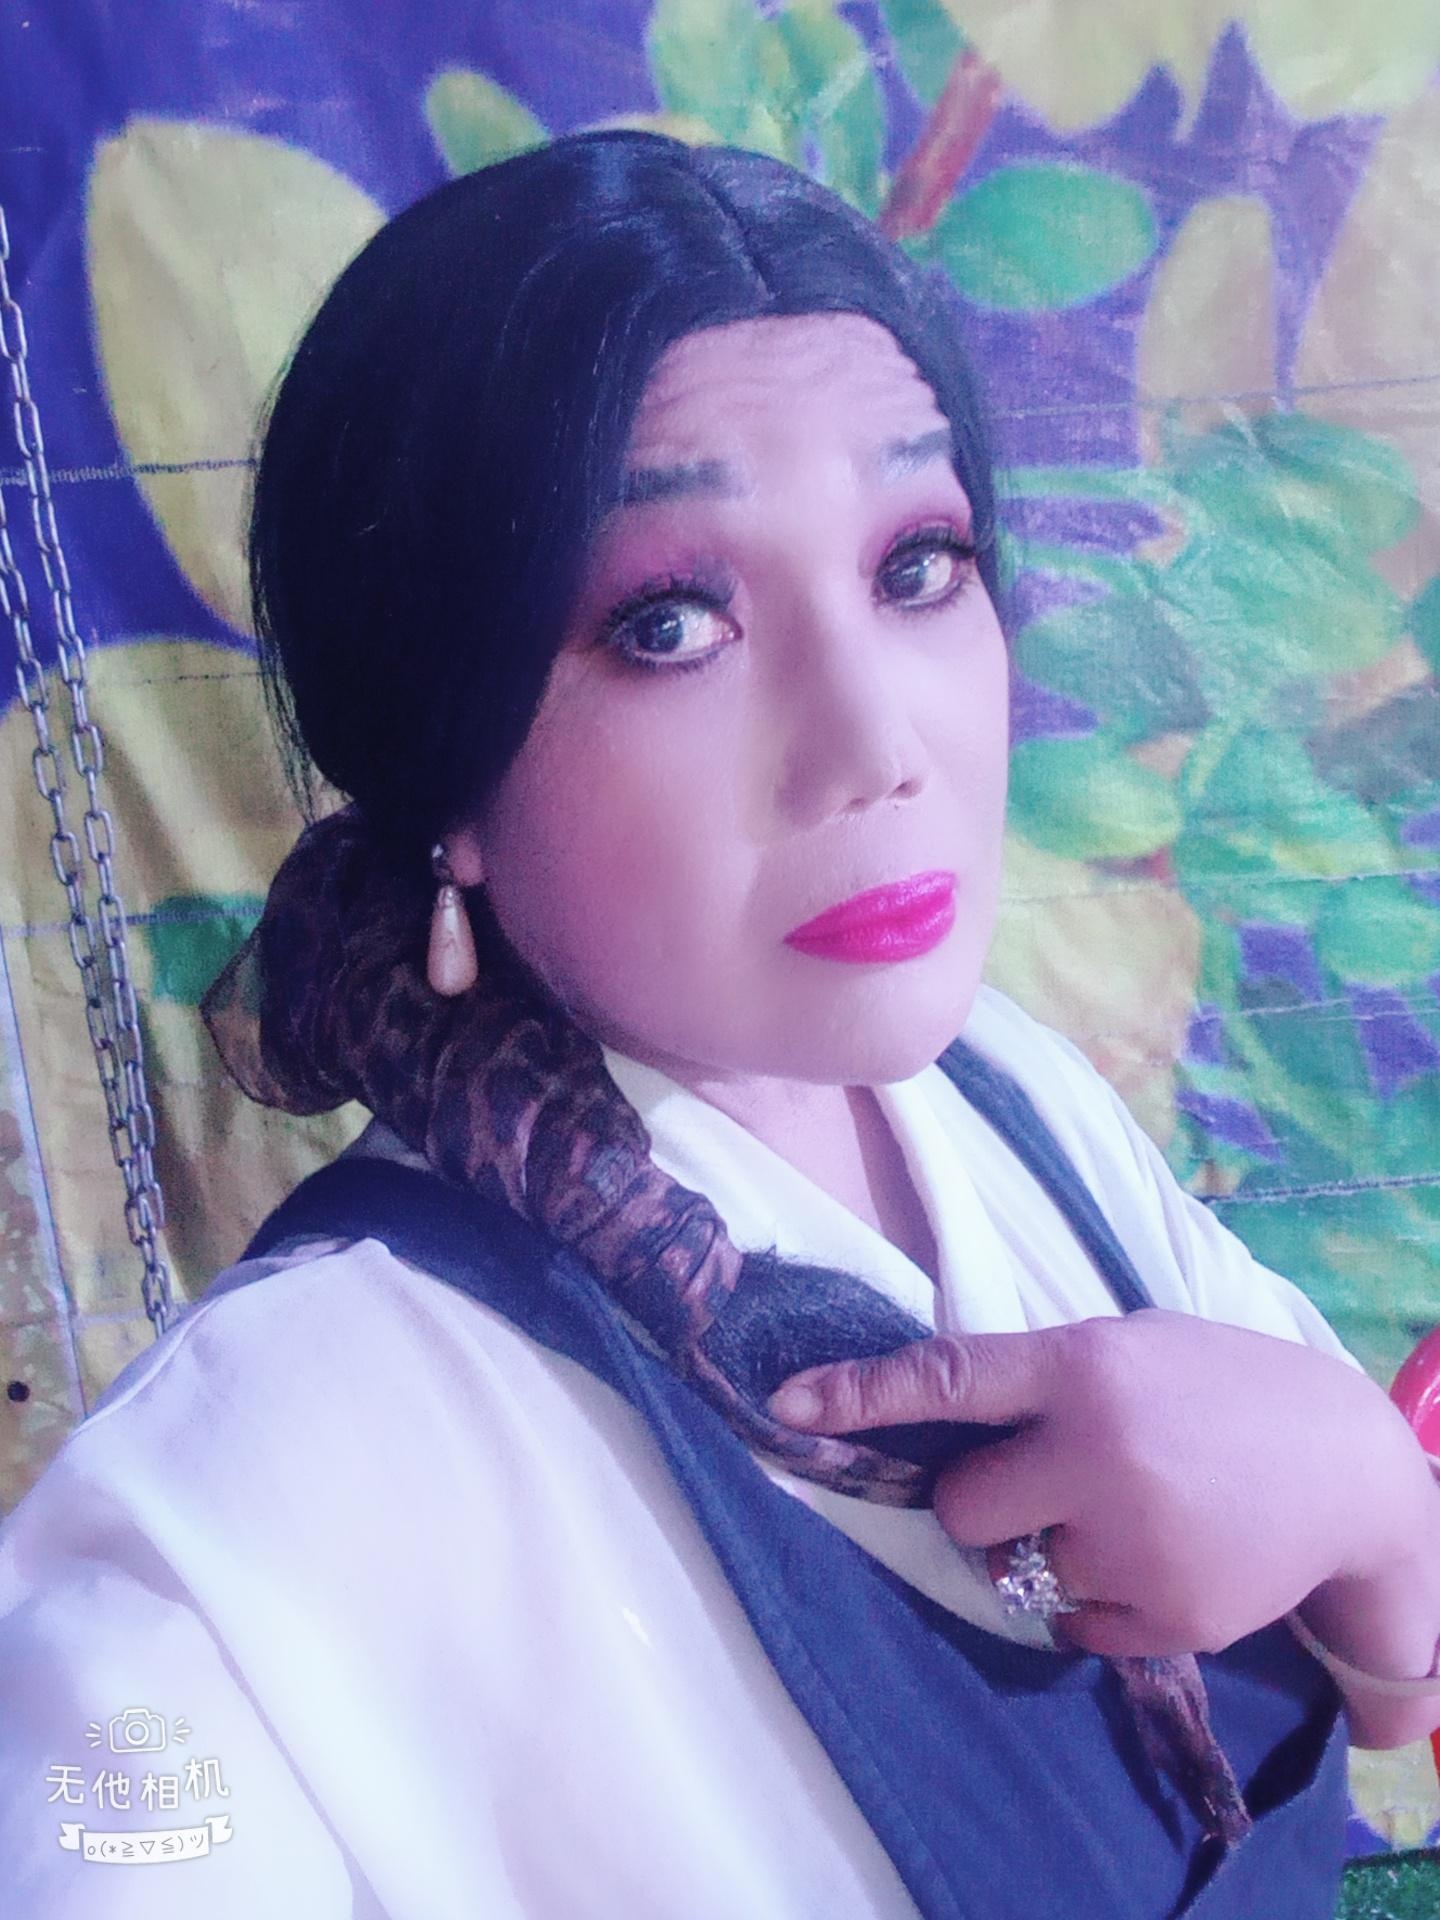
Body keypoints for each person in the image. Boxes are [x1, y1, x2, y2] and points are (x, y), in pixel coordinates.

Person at [1, 128, 1438, 1919]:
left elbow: (1397, 1677)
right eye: (674, 623)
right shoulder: (260, 1499)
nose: (873, 744)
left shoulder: (1010, 1102)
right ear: (443, 764)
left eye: (917, 566)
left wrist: (1369, 1505)